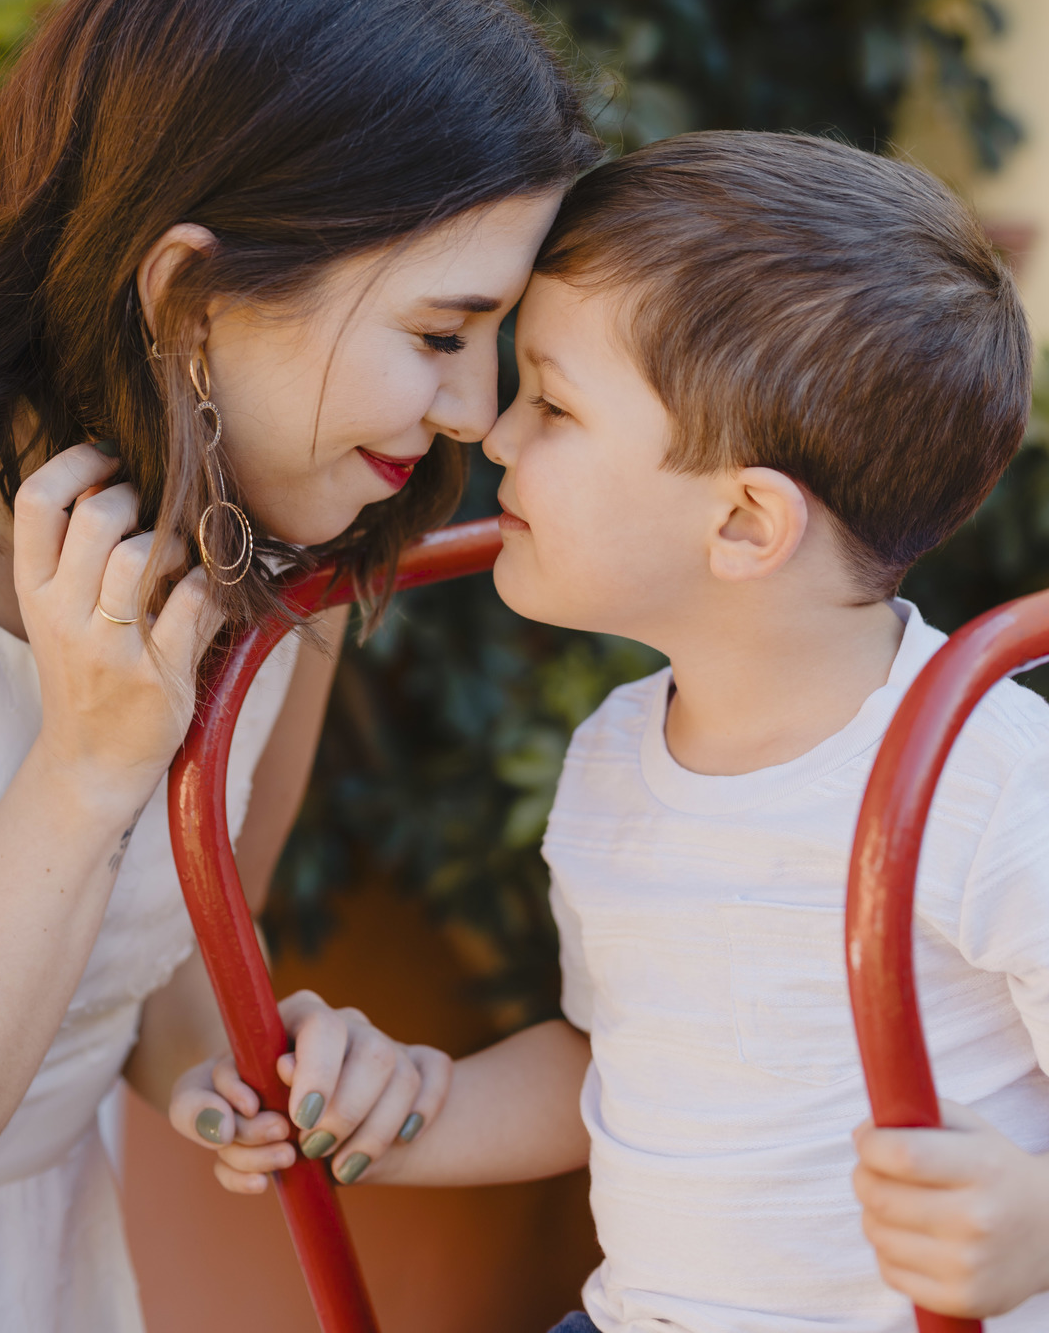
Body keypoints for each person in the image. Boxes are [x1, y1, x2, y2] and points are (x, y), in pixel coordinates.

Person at [0, 0, 599, 1330]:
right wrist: (83, 776)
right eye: (443, 331)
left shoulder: (280, 527)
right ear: (189, 298)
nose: (475, 412)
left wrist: (222, 1074)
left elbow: (155, 960)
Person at [204, 130, 1049, 1331]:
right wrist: (403, 1109)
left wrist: (1034, 1223)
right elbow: (617, 1063)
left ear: (748, 526)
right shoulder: (616, 753)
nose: (494, 435)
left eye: (553, 404)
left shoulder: (990, 783)